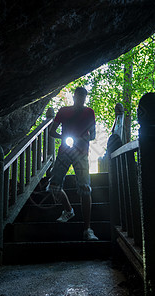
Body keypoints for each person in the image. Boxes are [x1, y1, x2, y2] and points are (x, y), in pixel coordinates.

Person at [48, 87, 98, 241]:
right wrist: (65, 137)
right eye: (78, 96)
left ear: (85, 98)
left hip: (81, 153)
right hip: (64, 151)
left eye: (83, 97)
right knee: (53, 186)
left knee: (85, 189)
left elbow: (93, 135)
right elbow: (51, 131)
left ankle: (87, 229)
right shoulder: (63, 111)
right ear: (74, 96)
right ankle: (68, 209)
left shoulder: (89, 112)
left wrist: (83, 138)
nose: (81, 99)